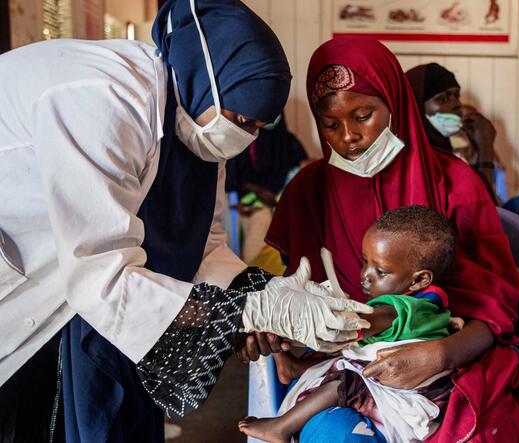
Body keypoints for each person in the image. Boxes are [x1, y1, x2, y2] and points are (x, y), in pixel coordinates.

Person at [0, 1, 372, 441]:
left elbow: (204, 242)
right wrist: (247, 311)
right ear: (204, 82)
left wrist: (265, 290)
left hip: (63, 282)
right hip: (28, 268)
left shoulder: (195, 118)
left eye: (257, 127)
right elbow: (101, 274)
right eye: (241, 120)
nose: (245, 137)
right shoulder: (102, 99)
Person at [260, 36, 519, 441]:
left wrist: (439, 354)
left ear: (395, 104)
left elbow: (496, 307)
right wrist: (282, 338)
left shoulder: (455, 183)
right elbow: (301, 298)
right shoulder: (309, 192)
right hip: (344, 370)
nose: (348, 137)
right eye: (329, 124)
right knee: (336, 435)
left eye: (363, 115)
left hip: (455, 358)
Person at [239, 205, 459, 442]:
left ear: (419, 280)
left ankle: (281, 428)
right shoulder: (425, 301)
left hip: (406, 399)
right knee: (338, 357)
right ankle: (291, 367)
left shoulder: (400, 310)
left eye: (380, 271)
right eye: (365, 262)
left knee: (341, 382)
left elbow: (351, 325)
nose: (365, 274)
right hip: (393, 381)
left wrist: (282, 320)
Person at [405, 63, 506, 202]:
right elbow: (482, 207)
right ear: (415, 105)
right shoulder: (414, 159)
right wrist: (485, 149)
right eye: (442, 98)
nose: (456, 104)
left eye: (456, 96)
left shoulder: (443, 150)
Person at [225, 115, 308, 263]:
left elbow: (302, 168)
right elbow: (232, 177)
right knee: (260, 222)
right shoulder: (243, 139)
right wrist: (259, 191)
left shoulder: (285, 140)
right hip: (247, 202)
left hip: (281, 201)